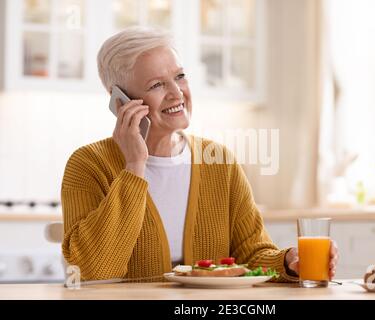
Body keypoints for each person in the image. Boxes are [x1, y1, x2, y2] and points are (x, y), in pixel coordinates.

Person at [61, 27, 338, 282]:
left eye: (179, 77)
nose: (176, 93)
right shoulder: (88, 165)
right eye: (157, 85)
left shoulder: (219, 161)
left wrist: (288, 262)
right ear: (120, 100)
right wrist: (135, 165)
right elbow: (92, 272)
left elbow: (252, 256)